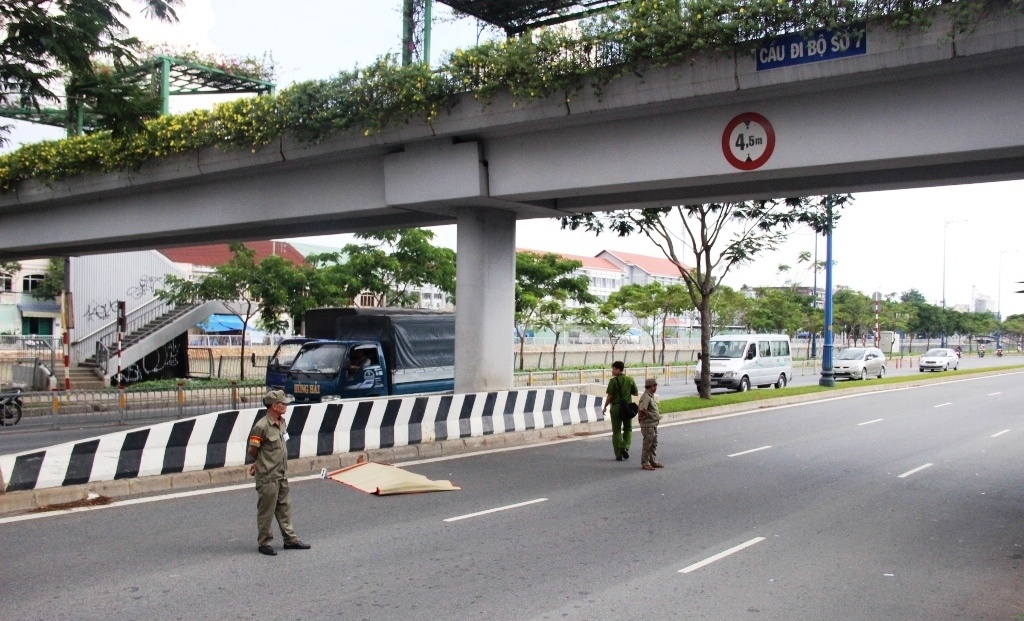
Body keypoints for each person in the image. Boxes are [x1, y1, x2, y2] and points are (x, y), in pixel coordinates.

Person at [248, 389, 311, 556]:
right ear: (274, 406)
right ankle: (264, 543)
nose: (286, 406)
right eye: (283, 404)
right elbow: (253, 450)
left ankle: (290, 540)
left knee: (284, 508)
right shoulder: (261, 427)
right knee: (266, 511)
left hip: (281, 474)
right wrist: (259, 463)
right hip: (268, 476)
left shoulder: (282, 422)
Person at [602, 360, 638, 461]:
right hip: (627, 409)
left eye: (613, 369)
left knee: (616, 431)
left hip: (616, 408)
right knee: (628, 429)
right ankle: (625, 446)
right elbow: (635, 393)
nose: (612, 371)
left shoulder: (613, 381)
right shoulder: (630, 380)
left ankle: (618, 454)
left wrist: (605, 406)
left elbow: (610, 396)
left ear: (618, 369)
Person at [638, 377, 664, 471]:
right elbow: (642, 409)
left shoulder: (650, 396)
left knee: (653, 443)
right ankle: (645, 462)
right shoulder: (645, 397)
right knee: (647, 444)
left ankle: (652, 461)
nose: (656, 387)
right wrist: (646, 415)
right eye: (655, 385)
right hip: (648, 425)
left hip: (653, 424)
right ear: (650, 386)